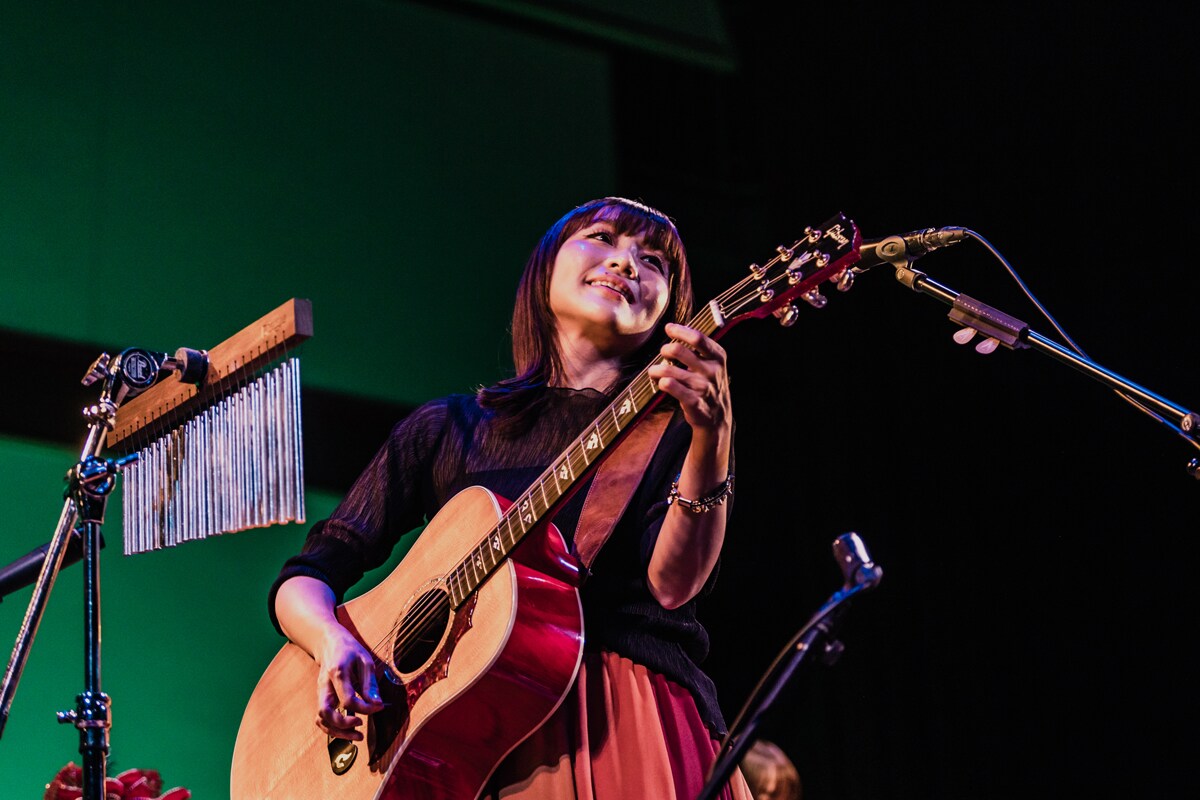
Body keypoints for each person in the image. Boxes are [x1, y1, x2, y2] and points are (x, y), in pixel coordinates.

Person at [269, 196, 752, 798]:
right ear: (545, 267)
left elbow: (673, 587)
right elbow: (309, 575)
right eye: (602, 238)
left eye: (653, 260)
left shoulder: (676, 423)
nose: (627, 263)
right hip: (450, 738)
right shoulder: (448, 428)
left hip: (614, 712)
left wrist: (714, 434)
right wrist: (331, 642)